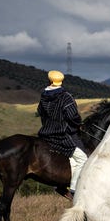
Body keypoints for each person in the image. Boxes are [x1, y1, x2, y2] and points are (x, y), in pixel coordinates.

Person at [37, 70, 86, 200]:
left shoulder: (43, 95)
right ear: (61, 81)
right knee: (83, 158)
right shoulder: (66, 97)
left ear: (49, 80)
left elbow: (40, 112)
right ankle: (74, 189)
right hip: (61, 136)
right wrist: (78, 124)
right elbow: (72, 116)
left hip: (46, 134)